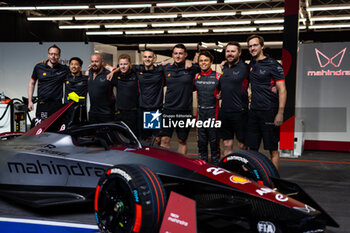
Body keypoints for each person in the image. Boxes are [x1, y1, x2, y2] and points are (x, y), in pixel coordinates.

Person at [246, 35, 287, 170]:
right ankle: (254, 179)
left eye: (255, 45)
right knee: (252, 148)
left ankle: (274, 181)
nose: (252, 48)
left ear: (262, 46)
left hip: (269, 111)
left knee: (272, 149)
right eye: (250, 46)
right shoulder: (251, 64)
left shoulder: (273, 65)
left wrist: (280, 113)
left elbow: (282, 89)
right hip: (254, 112)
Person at [160, 44, 200, 154]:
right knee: (164, 139)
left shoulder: (192, 68)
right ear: (172, 55)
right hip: (169, 109)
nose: (178, 56)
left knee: (182, 140)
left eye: (181, 53)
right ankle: (165, 165)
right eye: (176, 53)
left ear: (185, 55)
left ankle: (182, 167)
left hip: (185, 110)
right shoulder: (166, 68)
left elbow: (205, 67)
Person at [218, 42, 249, 156]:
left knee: (242, 145)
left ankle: (245, 170)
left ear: (239, 53)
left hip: (240, 112)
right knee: (227, 144)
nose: (230, 54)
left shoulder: (245, 68)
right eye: (228, 51)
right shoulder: (224, 67)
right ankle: (228, 169)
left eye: (233, 51)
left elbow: (258, 81)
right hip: (224, 112)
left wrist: (273, 85)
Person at [28, 44, 69, 120]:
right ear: (48, 55)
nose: (53, 56)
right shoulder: (39, 67)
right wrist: (30, 101)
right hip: (42, 103)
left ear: (59, 56)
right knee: (42, 128)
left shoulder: (64, 69)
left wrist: (90, 71)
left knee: (56, 128)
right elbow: (32, 83)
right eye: (51, 54)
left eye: (55, 54)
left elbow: (77, 72)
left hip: (57, 104)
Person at [194, 51, 221, 164]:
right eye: (201, 60)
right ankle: (202, 165)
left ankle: (216, 165)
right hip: (200, 113)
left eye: (206, 60)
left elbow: (228, 89)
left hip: (213, 112)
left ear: (211, 62)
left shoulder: (218, 76)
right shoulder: (195, 76)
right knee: (201, 142)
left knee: (214, 142)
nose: (203, 63)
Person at [111, 54, 139, 136]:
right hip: (119, 111)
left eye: (125, 64)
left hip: (133, 111)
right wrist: (113, 71)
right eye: (121, 64)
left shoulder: (136, 74)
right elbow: (106, 67)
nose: (123, 67)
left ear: (130, 64)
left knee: (133, 136)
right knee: (120, 137)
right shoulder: (116, 75)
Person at [88, 53, 115, 123]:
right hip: (92, 113)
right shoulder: (90, 72)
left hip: (106, 114)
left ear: (102, 62)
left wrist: (113, 69)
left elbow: (122, 72)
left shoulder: (108, 74)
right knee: (93, 134)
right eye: (92, 61)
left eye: (96, 61)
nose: (94, 64)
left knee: (107, 134)